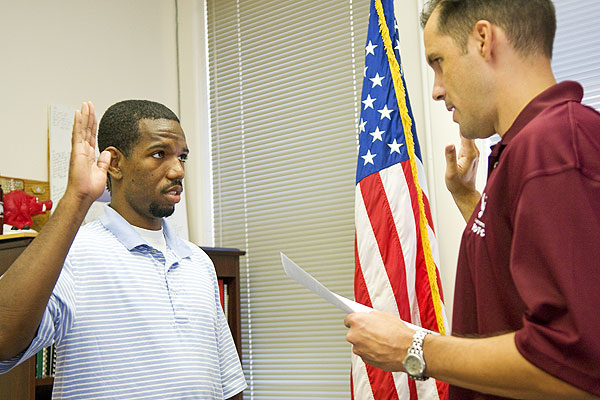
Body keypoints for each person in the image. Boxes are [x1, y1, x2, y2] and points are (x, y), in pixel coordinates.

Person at [344, 0, 600, 399]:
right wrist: (470, 202)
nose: (436, 90)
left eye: (439, 61)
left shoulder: (554, 146)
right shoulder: (525, 149)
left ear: (484, 40)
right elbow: (517, 284)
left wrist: (414, 348)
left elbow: (575, 365)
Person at [0, 100, 246, 399]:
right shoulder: (73, 252)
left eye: (182, 157)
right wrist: (77, 198)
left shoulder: (199, 262)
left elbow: (227, 382)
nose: (178, 170)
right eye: (159, 154)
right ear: (114, 163)